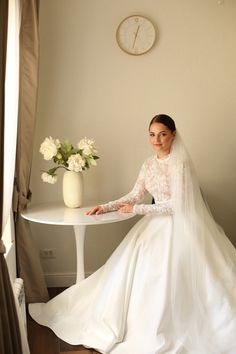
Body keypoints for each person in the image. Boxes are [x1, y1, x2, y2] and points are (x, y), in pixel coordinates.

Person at [29, 114, 236, 354]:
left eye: (162, 134)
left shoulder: (181, 165)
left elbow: (176, 206)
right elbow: (134, 194)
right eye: (152, 134)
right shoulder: (148, 164)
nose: (156, 140)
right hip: (152, 226)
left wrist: (137, 210)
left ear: (173, 135)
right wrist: (106, 206)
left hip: (180, 228)